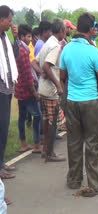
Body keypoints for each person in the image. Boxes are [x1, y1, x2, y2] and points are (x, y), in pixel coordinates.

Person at [60, 12, 98, 197]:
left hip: (72, 102)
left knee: (74, 142)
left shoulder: (66, 49)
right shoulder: (92, 50)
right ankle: (96, 184)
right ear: (91, 29)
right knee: (93, 143)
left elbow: (62, 76)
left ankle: (73, 180)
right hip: (90, 102)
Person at [36, 18, 66, 162]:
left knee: (47, 120)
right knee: (52, 122)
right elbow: (47, 66)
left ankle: (45, 150)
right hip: (50, 91)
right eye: (65, 29)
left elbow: (34, 62)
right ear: (61, 31)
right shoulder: (55, 46)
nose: (66, 32)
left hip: (43, 88)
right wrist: (58, 85)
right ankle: (50, 153)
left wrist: (41, 72)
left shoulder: (48, 42)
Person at [15, 24, 42, 154]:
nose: (30, 39)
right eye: (28, 36)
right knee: (37, 116)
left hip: (19, 88)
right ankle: (37, 145)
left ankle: (24, 144)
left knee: (22, 117)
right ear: (21, 37)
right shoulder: (24, 51)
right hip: (27, 90)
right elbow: (27, 74)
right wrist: (34, 92)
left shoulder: (17, 48)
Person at [0, 5, 20, 180]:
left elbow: (15, 56)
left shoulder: (5, 37)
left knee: (4, 128)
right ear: (1, 19)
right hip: (0, 89)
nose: (11, 24)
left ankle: (1, 162)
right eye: (9, 20)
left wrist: (16, 38)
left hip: (7, 88)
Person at [26, 27, 40, 128]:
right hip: (31, 77)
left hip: (36, 77)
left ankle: (31, 120)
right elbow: (31, 63)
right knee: (31, 98)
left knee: (34, 100)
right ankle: (29, 120)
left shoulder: (38, 46)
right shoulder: (29, 48)